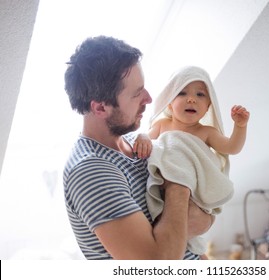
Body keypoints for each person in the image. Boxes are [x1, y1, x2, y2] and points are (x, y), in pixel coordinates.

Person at [63, 36, 213, 260]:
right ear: (100, 107)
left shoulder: (138, 142)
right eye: (137, 94)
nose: (149, 99)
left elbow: (204, 221)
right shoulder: (90, 170)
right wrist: (177, 182)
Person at [134, 66, 250, 256]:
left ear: (208, 106)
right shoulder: (162, 125)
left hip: (194, 198)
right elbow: (146, 140)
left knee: (186, 236)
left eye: (200, 94)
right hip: (164, 194)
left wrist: (240, 126)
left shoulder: (206, 132)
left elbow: (232, 148)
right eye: (182, 93)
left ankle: (193, 252)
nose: (191, 99)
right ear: (169, 103)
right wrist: (143, 138)